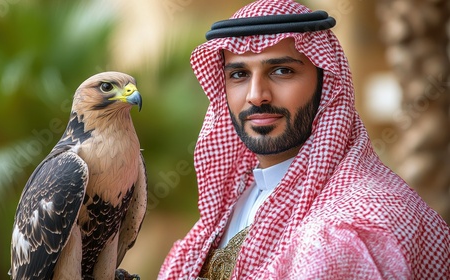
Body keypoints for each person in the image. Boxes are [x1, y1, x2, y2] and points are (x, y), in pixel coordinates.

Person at [159, 0, 450, 279]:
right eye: (239, 74)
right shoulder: (236, 201)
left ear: (327, 85)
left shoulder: (359, 222)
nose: (256, 94)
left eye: (282, 71)